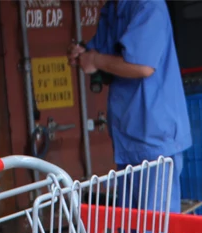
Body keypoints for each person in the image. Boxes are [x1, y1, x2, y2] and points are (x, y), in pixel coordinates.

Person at [69, 0, 191, 212]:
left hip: (154, 135)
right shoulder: (113, 8)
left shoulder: (148, 6)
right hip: (128, 135)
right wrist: (82, 55)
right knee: (131, 230)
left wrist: (95, 60)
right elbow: (106, 59)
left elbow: (142, 66)